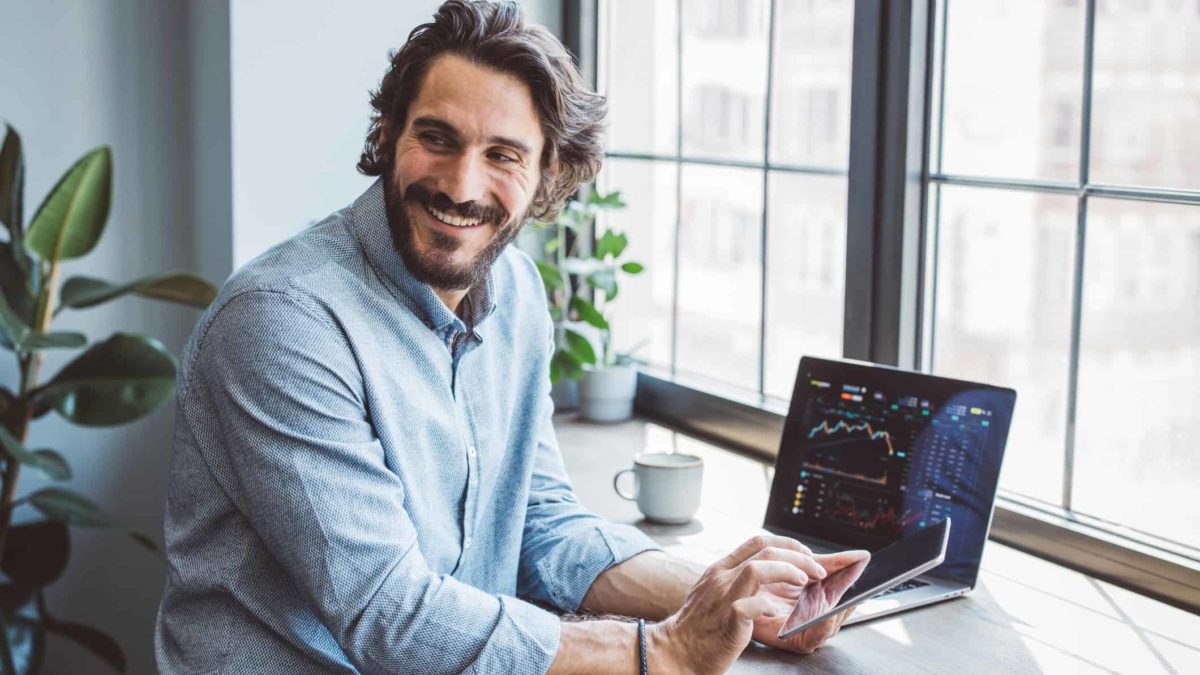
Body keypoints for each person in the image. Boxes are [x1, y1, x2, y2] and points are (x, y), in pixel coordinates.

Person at [154, 2, 868, 673]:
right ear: (388, 134)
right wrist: (667, 649)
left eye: (503, 154)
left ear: (547, 174)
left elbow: (538, 521)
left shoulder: (519, 294)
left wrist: (731, 595)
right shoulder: (283, 321)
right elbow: (388, 612)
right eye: (436, 138)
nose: (461, 185)